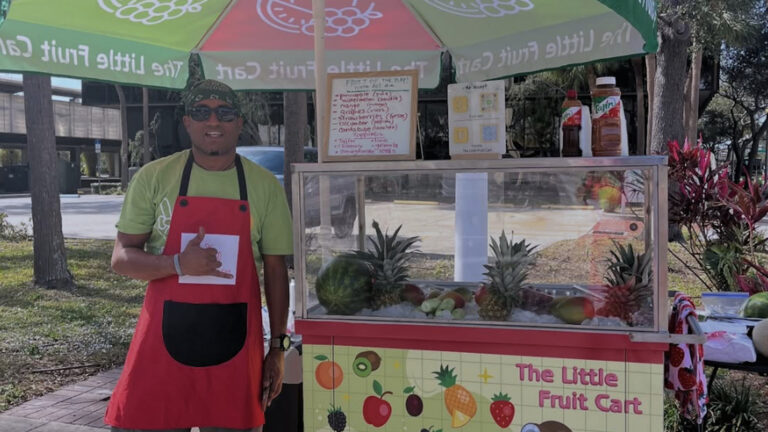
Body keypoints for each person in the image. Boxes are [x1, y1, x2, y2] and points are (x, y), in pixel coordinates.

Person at [104, 80, 293, 432]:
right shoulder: (155, 177)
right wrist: (176, 263)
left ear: (239, 122)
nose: (213, 121)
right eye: (201, 112)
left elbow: (275, 269)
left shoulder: (265, 186)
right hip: (161, 339)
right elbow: (121, 257)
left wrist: (278, 348)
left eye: (225, 113)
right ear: (187, 122)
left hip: (237, 345)